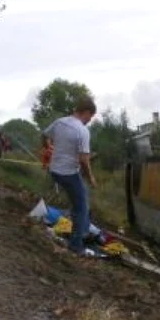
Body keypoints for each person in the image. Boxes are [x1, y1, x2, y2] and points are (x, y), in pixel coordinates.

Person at [42, 96, 97, 255]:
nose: (89, 120)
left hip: (55, 171)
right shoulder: (82, 130)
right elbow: (84, 161)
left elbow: (44, 135)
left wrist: (49, 148)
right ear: (86, 112)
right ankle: (76, 244)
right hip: (68, 173)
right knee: (82, 207)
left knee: (80, 196)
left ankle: (80, 228)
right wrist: (91, 178)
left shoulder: (60, 122)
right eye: (90, 117)